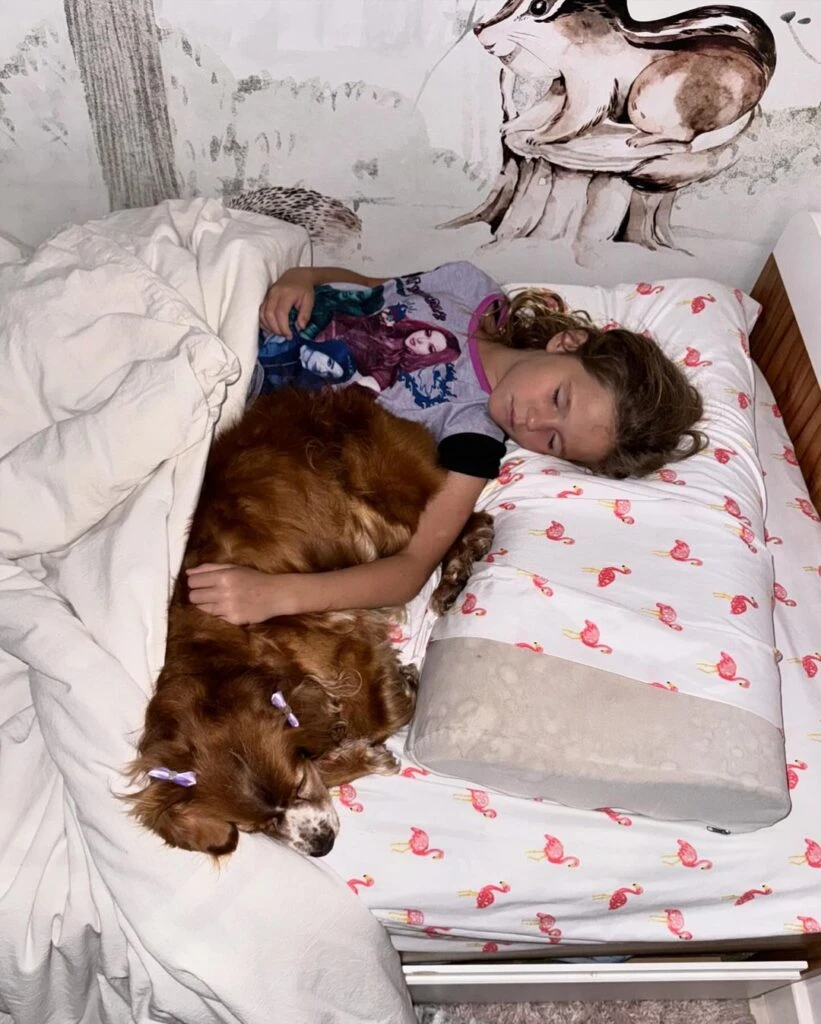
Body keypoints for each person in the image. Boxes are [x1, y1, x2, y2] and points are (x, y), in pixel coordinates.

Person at [187, 261, 706, 625]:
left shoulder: (473, 441)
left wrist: (277, 595)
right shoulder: (471, 290)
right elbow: (369, 286)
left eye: (553, 440)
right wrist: (306, 276)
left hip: (232, 394)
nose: (532, 420)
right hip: (241, 306)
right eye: (558, 397)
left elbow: (410, 570)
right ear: (567, 343)